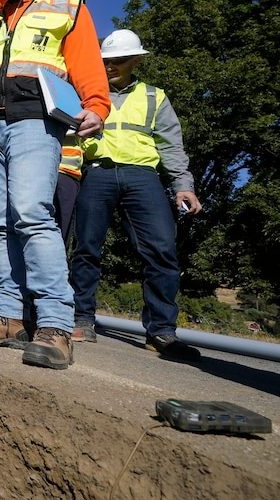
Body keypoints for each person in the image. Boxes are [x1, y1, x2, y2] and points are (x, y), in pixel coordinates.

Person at [0, 0, 110, 370]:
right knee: (2, 223)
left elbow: (86, 60)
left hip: (35, 119)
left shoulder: (67, 6)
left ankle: (55, 326)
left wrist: (97, 105)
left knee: (32, 214)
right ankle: (10, 317)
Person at [69, 29, 202, 361]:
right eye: (106, 61)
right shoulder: (84, 94)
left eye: (120, 60)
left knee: (161, 250)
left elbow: (172, 146)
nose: (111, 66)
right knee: (86, 248)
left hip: (143, 177)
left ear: (137, 60)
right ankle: (82, 319)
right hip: (97, 173)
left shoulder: (155, 97)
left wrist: (183, 186)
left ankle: (161, 332)